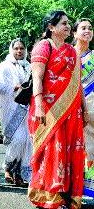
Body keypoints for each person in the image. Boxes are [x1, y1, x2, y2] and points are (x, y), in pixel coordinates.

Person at [28, 10, 86, 209]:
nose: (68, 26)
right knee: (51, 151)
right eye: (63, 23)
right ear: (51, 27)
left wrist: (84, 110)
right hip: (49, 109)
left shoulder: (72, 51)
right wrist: (39, 106)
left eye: (69, 23)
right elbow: (37, 78)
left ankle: (67, 195)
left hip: (72, 111)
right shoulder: (43, 46)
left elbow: (78, 84)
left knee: (71, 151)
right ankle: (48, 195)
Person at [0, 38, 32, 186]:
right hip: (11, 109)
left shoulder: (29, 66)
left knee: (26, 142)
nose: (19, 51)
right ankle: (8, 167)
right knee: (17, 140)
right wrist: (14, 87)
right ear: (12, 49)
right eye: (16, 48)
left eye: (22, 48)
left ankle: (19, 175)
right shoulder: (5, 66)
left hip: (27, 109)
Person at [73, 18, 94, 199]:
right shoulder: (68, 55)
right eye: (83, 28)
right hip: (72, 108)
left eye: (90, 28)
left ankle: (89, 189)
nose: (87, 31)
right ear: (74, 33)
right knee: (74, 147)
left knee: (91, 148)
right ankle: (73, 189)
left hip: (93, 109)